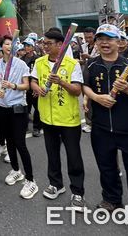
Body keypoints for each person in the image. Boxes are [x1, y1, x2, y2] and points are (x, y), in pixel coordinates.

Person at [82, 24, 128, 236]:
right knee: (106, 167)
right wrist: (95, 97)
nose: (105, 42)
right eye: (100, 38)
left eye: (110, 38)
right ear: (96, 42)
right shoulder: (92, 64)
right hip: (102, 127)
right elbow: (85, 85)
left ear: (119, 41)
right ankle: (112, 198)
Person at [30, 29, 86, 210]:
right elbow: (33, 80)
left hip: (68, 120)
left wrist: (61, 82)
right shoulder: (39, 62)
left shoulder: (71, 64)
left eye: (48, 43)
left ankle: (77, 192)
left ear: (60, 45)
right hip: (48, 118)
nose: (44, 46)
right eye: (43, 43)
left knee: (73, 157)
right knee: (52, 154)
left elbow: (77, 90)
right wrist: (37, 88)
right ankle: (56, 184)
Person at [0, 35, 38, 199]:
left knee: (20, 143)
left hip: (18, 109)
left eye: (10, 44)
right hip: (2, 107)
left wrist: (13, 86)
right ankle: (16, 170)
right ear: (0, 47)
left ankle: (31, 180)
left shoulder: (21, 64)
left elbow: (26, 85)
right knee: (9, 141)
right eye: (5, 44)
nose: (8, 46)